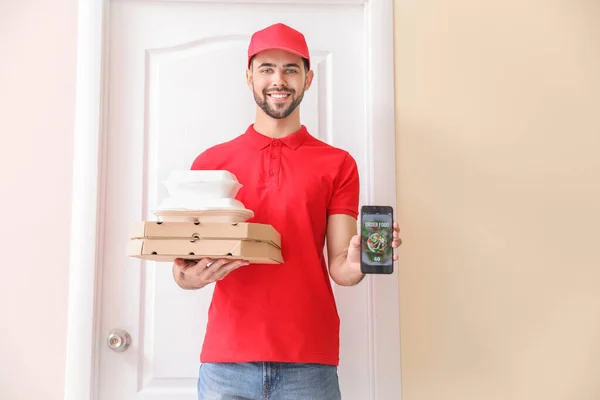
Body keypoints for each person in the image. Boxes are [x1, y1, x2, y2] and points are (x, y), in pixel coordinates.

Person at [172, 22, 401, 400]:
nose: (279, 80)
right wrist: (191, 279)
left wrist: (360, 261)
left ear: (308, 78)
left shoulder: (338, 164)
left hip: (309, 363)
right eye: (266, 69)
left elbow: (341, 269)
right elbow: (183, 269)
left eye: (291, 69)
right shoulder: (211, 163)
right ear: (249, 77)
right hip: (226, 363)